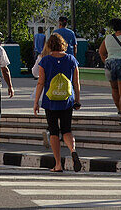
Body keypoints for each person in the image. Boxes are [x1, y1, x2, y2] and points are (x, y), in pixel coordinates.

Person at [33, 32, 82, 172]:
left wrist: (36, 102)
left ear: (49, 45)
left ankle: (58, 165)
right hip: (67, 100)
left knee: (54, 131)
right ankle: (73, 150)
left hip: (50, 101)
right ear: (63, 44)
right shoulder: (71, 59)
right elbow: (76, 83)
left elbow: (40, 83)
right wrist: (77, 100)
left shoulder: (45, 60)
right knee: (67, 130)